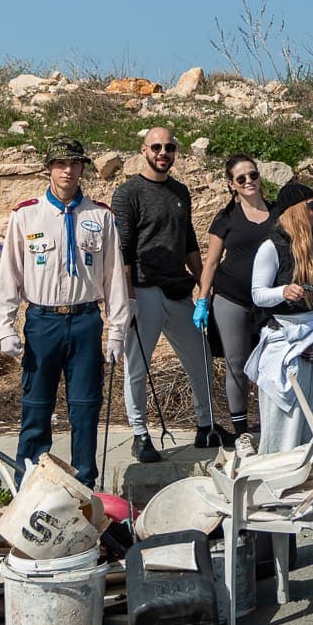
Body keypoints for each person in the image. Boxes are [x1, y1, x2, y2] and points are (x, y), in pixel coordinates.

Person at [0, 136, 131, 488]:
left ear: (83, 167)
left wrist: (116, 331)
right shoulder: (27, 214)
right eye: (60, 164)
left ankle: (83, 484)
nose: (68, 171)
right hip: (42, 321)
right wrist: (5, 327)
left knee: (85, 407)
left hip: (85, 320)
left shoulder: (99, 215)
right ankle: (31, 484)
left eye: (74, 164)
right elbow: (9, 272)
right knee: (36, 405)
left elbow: (114, 277)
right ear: (49, 168)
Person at [112, 125, 215, 462]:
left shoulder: (180, 192)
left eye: (169, 148)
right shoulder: (128, 193)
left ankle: (206, 425)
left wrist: (204, 287)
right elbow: (123, 249)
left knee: (199, 359)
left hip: (178, 289)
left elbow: (188, 242)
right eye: (156, 147)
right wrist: (127, 299)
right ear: (144, 150)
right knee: (137, 367)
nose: (163, 154)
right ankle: (140, 435)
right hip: (143, 289)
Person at [247, 182, 313, 456]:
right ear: (295, 211)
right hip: (287, 339)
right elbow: (258, 294)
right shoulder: (271, 247)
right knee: (288, 420)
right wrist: (283, 291)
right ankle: (279, 474)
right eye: (312, 205)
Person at [193, 154, 277, 449]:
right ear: (232, 185)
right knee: (237, 364)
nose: (249, 181)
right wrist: (202, 300)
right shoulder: (226, 218)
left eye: (252, 175)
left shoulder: (277, 213)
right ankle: (242, 431)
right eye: (241, 179)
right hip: (231, 298)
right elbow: (212, 262)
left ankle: (271, 424)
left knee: (269, 364)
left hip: (268, 301)